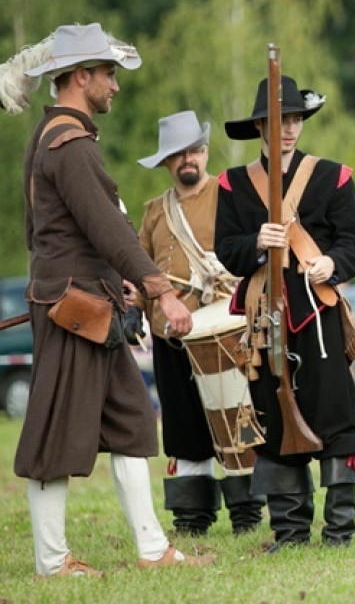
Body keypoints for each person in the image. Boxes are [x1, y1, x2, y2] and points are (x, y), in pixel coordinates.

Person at [2, 23, 213, 576]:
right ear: (80, 77)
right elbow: (110, 232)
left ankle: (152, 550)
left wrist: (107, 277)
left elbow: (60, 234)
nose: (115, 85)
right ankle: (51, 563)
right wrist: (160, 292)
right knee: (54, 435)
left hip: (88, 303)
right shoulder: (69, 144)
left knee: (132, 423)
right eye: (108, 74)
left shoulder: (62, 137)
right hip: (75, 311)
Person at [215, 74, 355, 551]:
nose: (288, 129)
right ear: (260, 125)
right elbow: (226, 249)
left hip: (317, 315)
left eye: (296, 119)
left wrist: (331, 263)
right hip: (265, 317)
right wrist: (256, 244)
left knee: (335, 415)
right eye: (279, 120)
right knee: (272, 414)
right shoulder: (234, 184)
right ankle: (289, 530)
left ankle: (339, 531)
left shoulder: (332, 176)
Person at [133, 110, 265, 535]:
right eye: (177, 154)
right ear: (167, 162)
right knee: (184, 428)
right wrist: (134, 301)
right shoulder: (155, 211)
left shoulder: (231, 194)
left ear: (205, 153)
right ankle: (192, 516)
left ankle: (246, 512)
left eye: (193, 150)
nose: (187, 159)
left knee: (235, 422)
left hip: (224, 332)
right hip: (171, 339)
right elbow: (140, 269)